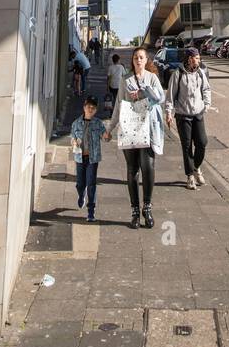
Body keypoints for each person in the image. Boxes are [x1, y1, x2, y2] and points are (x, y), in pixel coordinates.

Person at [106, 45, 165, 229]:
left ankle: (147, 207)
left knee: (148, 167)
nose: (138, 60)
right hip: (130, 129)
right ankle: (134, 211)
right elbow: (118, 105)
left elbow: (160, 98)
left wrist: (141, 92)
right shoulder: (125, 79)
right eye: (135, 58)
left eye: (141, 57)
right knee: (132, 170)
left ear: (146, 60)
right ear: (132, 61)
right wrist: (110, 128)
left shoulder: (152, 78)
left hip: (148, 129)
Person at [166, 43, 212, 188]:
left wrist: (206, 104)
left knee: (202, 143)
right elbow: (170, 96)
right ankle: (190, 176)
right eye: (195, 59)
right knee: (186, 147)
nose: (197, 61)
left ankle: (196, 167)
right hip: (183, 115)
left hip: (198, 114)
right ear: (189, 59)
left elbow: (206, 89)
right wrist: (168, 112)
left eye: (198, 58)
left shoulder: (200, 73)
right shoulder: (178, 74)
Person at [69, 96, 106, 222]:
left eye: (93, 107)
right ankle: (81, 194)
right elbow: (72, 138)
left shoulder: (98, 123)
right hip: (79, 157)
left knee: (91, 183)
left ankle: (91, 211)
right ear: (84, 108)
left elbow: (105, 137)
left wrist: (107, 135)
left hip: (92, 158)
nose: (90, 109)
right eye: (88, 106)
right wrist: (74, 142)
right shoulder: (76, 123)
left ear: (95, 110)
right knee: (80, 183)